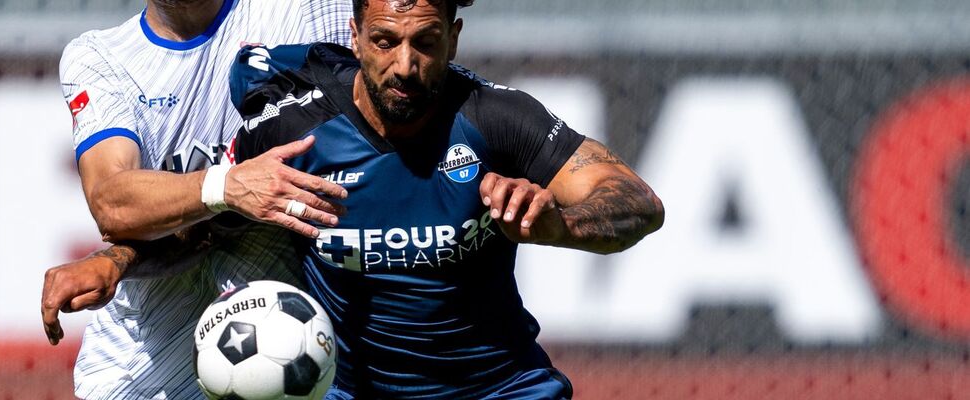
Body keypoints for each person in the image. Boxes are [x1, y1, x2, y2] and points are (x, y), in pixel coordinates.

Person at [224, 0, 663, 397]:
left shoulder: (494, 117)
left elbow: (639, 202)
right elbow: (197, 224)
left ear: (453, 39)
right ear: (353, 37)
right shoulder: (290, 130)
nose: (405, 65)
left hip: (499, 389)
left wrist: (559, 225)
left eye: (426, 43)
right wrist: (215, 200)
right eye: (384, 41)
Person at [41, 0, 355, 398]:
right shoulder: (101, 57)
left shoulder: (302, 12)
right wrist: (228, 186)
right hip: (144, 370)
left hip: (294, 354)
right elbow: (112, 203)